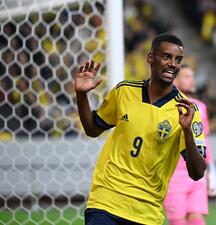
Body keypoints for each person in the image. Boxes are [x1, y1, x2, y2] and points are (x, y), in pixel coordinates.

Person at [74, 33, 207, 225]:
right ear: (151, 58)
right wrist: (81, 96)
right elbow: (93, 129)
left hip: (146, 211)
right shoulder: (124, 91)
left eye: (178, 60)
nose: (173, 64)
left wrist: (187, 131)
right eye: (166, 57)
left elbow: (198, 172)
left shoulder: (187, 110)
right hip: (106, 199)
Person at [164, 65, 216, 225]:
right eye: (187, 76)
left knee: (197, 221)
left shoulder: (200, 107)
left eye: (192, 76)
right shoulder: (167, 106)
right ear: (175, 80)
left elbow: (204, 141)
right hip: (173, 175)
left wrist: (211, 171)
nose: (192, 80)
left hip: (196, 174)